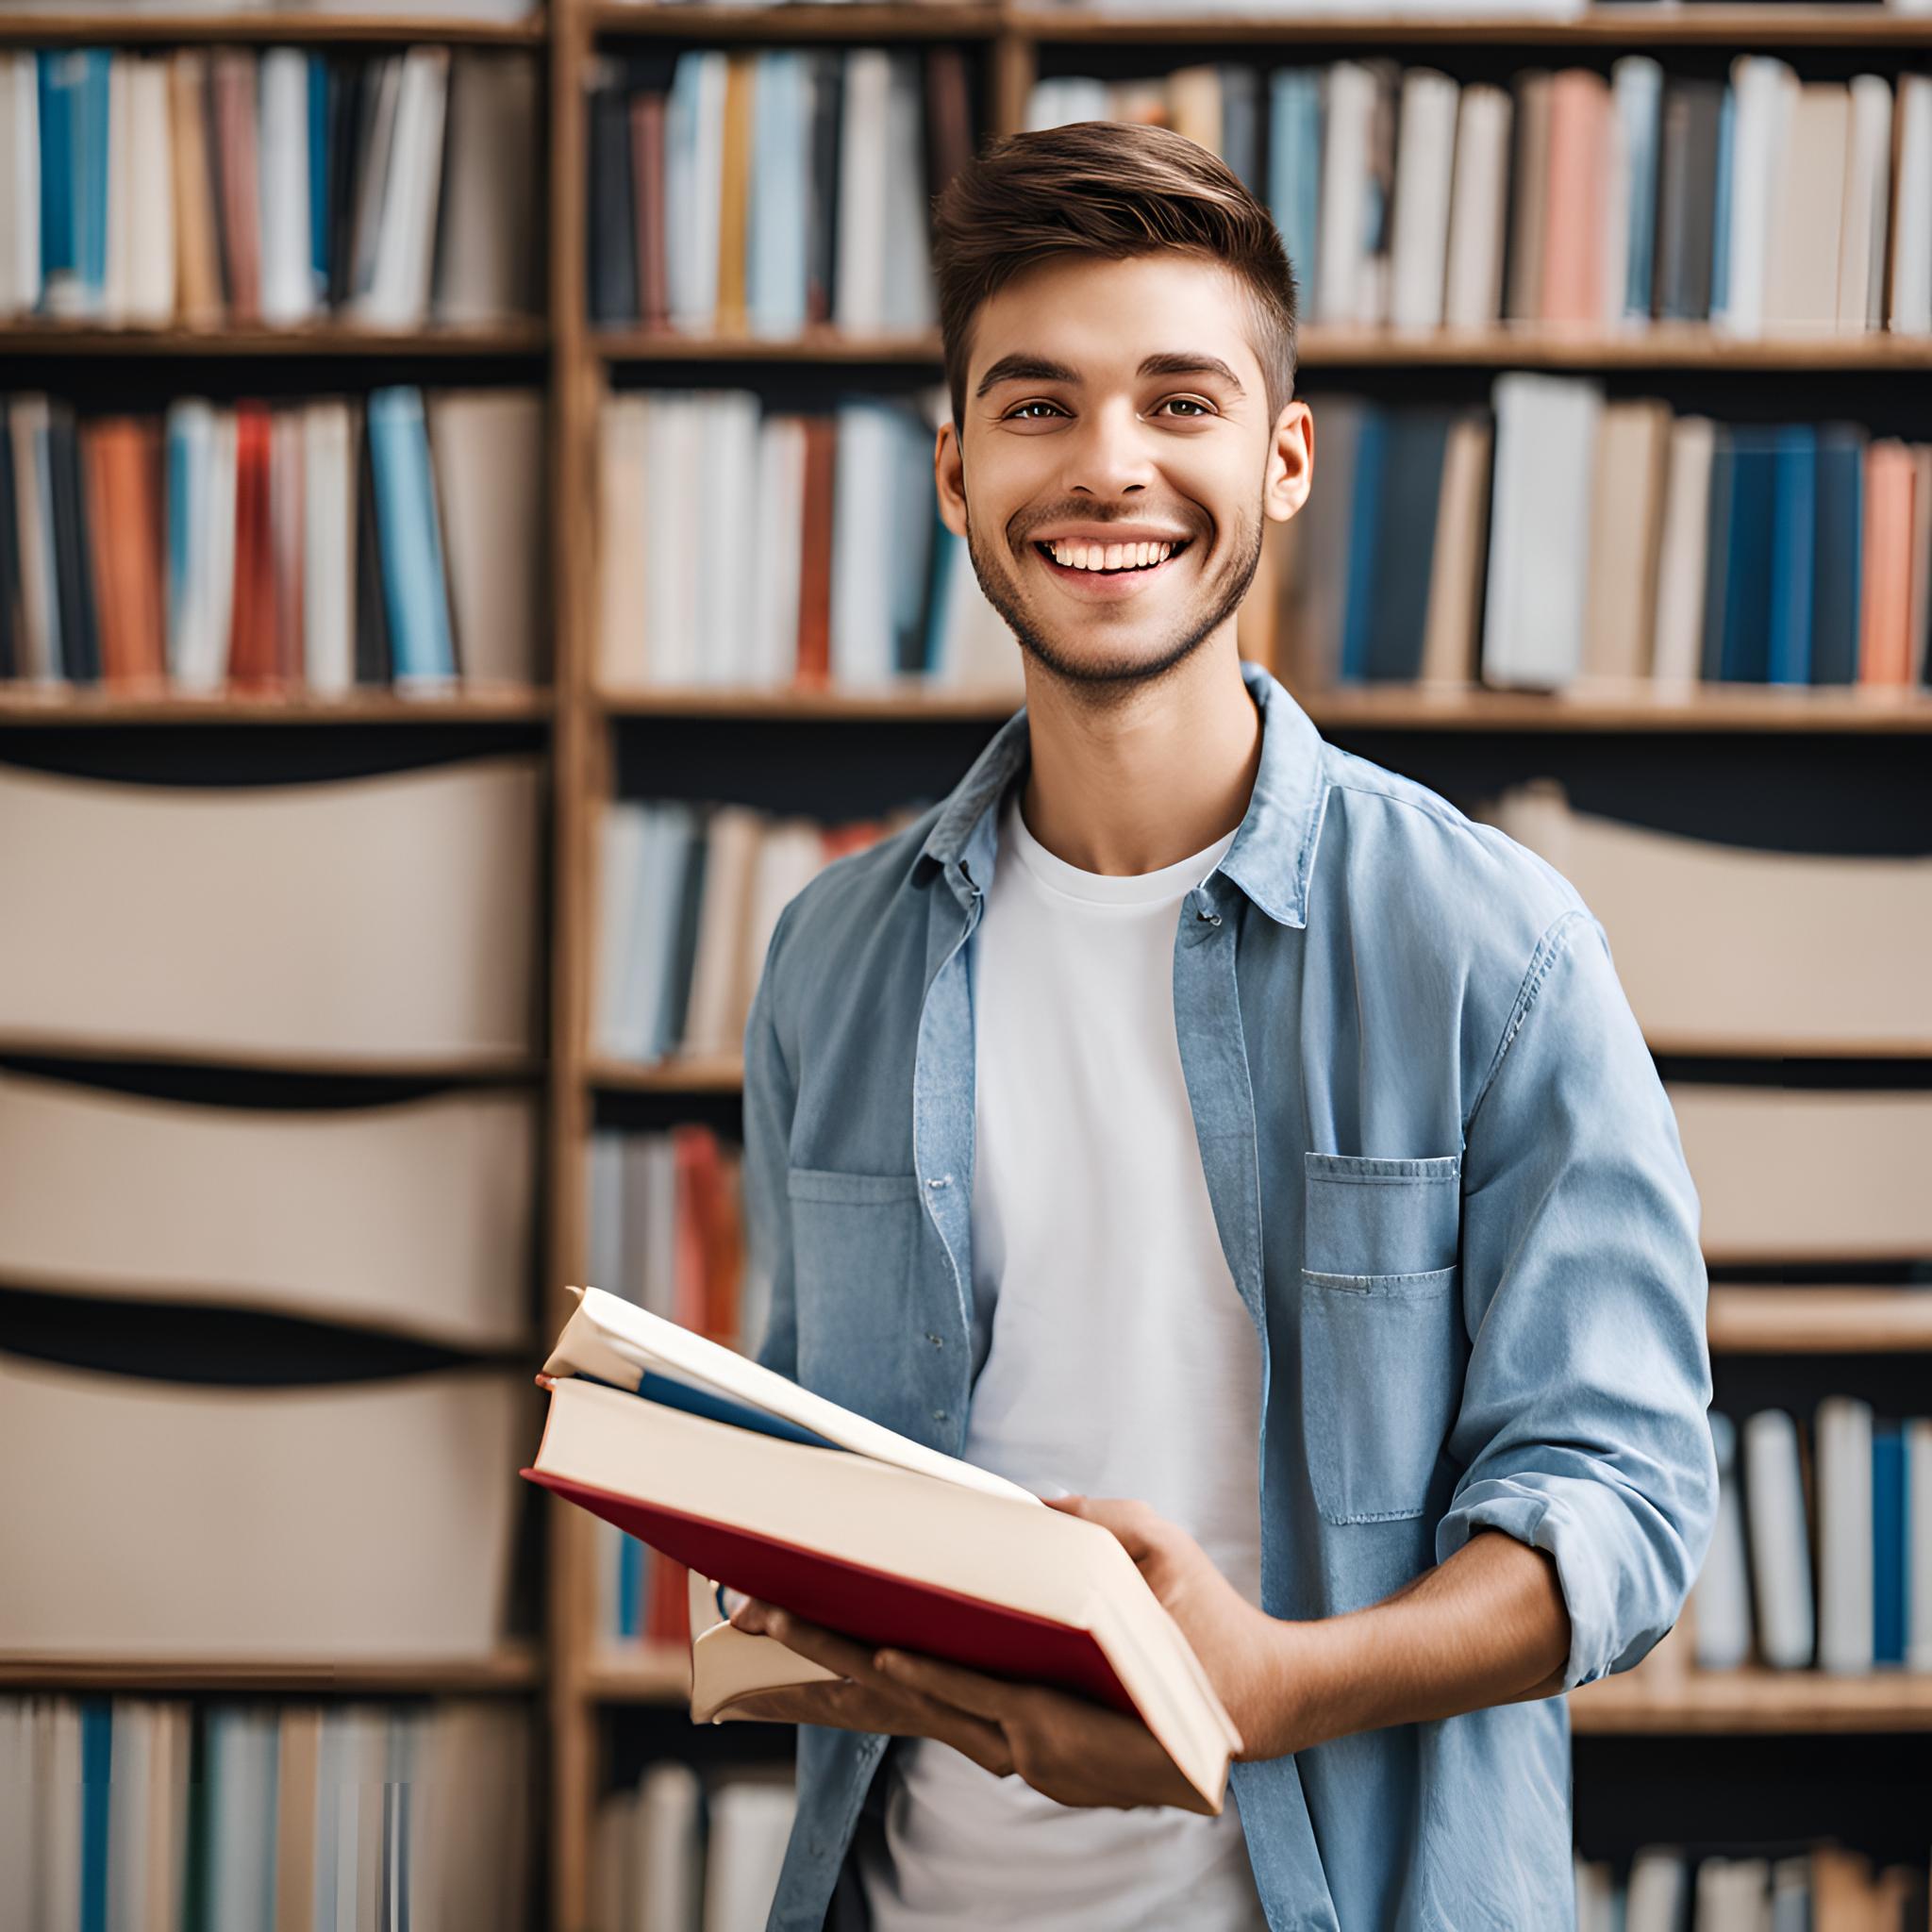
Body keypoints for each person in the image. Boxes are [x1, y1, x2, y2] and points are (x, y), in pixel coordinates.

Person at [724, 119, 1718, 1932]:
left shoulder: (1497, 952)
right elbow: (823, 1456)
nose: (1108, 469)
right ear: (954, 471)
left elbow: (1624, 1509)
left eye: (1179, 405)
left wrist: (1258, 1686)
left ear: (1282, 463)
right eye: (1039, 408)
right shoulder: (828, 961)